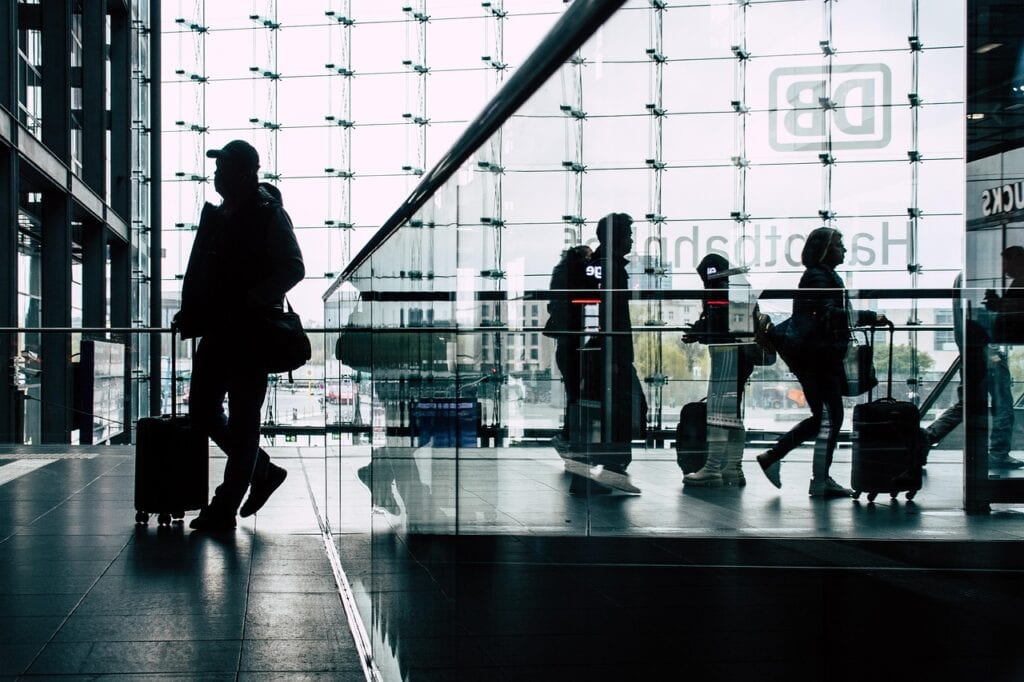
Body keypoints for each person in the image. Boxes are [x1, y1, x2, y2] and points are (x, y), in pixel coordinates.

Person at [175, 140, 305, 531]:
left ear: (247, 174)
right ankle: (261, 470)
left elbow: (293, 268)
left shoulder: (268, 215)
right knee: (203, 411)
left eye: (225, 167)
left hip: (249, 333)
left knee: (244, 418)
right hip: (219, 329)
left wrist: (249, 302)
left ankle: (224, 507)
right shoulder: (222, 216)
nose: (216, 174)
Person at [756, 227, 886, 498]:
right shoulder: (818, 276)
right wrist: (867, 316)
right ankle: (815, 477)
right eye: (839, 245)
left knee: (826, 417)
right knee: (830, 417)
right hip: (817, 358)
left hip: (815, 357)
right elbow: (829, 314)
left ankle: (778, 458)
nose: (845, 250)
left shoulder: (822, 275)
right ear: (825, 249)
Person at [572, 213, 645, 495]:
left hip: (602, 350)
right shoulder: (608, 267)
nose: (631, 239)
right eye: (627, 234)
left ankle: (595, 473)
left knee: (602, 412)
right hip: (610, 352)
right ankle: (612, 471)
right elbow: (610, 314)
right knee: (626, 409)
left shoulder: (599, 265)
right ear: (615, 237)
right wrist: (615, 355)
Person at [681, 254, 757, 487]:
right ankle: (734, 467)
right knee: (731, 413)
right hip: (742, 353)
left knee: (719, 412)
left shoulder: (720, 288)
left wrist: (698, 331)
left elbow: (719, 320)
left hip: (727, 352)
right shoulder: (739, 286)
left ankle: (713, 468)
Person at [544, 245, 593, 448]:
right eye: (589, 259)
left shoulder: (561, 272)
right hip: (574, 340)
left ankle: (569, 434)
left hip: (565, 342)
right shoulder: (576, 274)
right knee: (577, 392)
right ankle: (571, 434)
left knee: (573, 392)